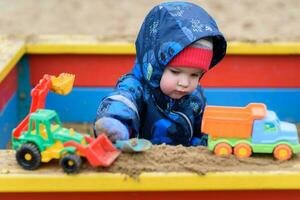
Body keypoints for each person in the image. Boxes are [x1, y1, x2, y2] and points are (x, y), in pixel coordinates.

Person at [94, 1, 227, 146]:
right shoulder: (136, 87)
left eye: (195, 75)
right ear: (156, 65)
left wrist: (207, 141)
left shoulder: (194, 97)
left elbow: (203, 129)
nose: (184, 82)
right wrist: (116, 125)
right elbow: (121, 101)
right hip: (140, 157)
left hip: (180, 163)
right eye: (175, 71)